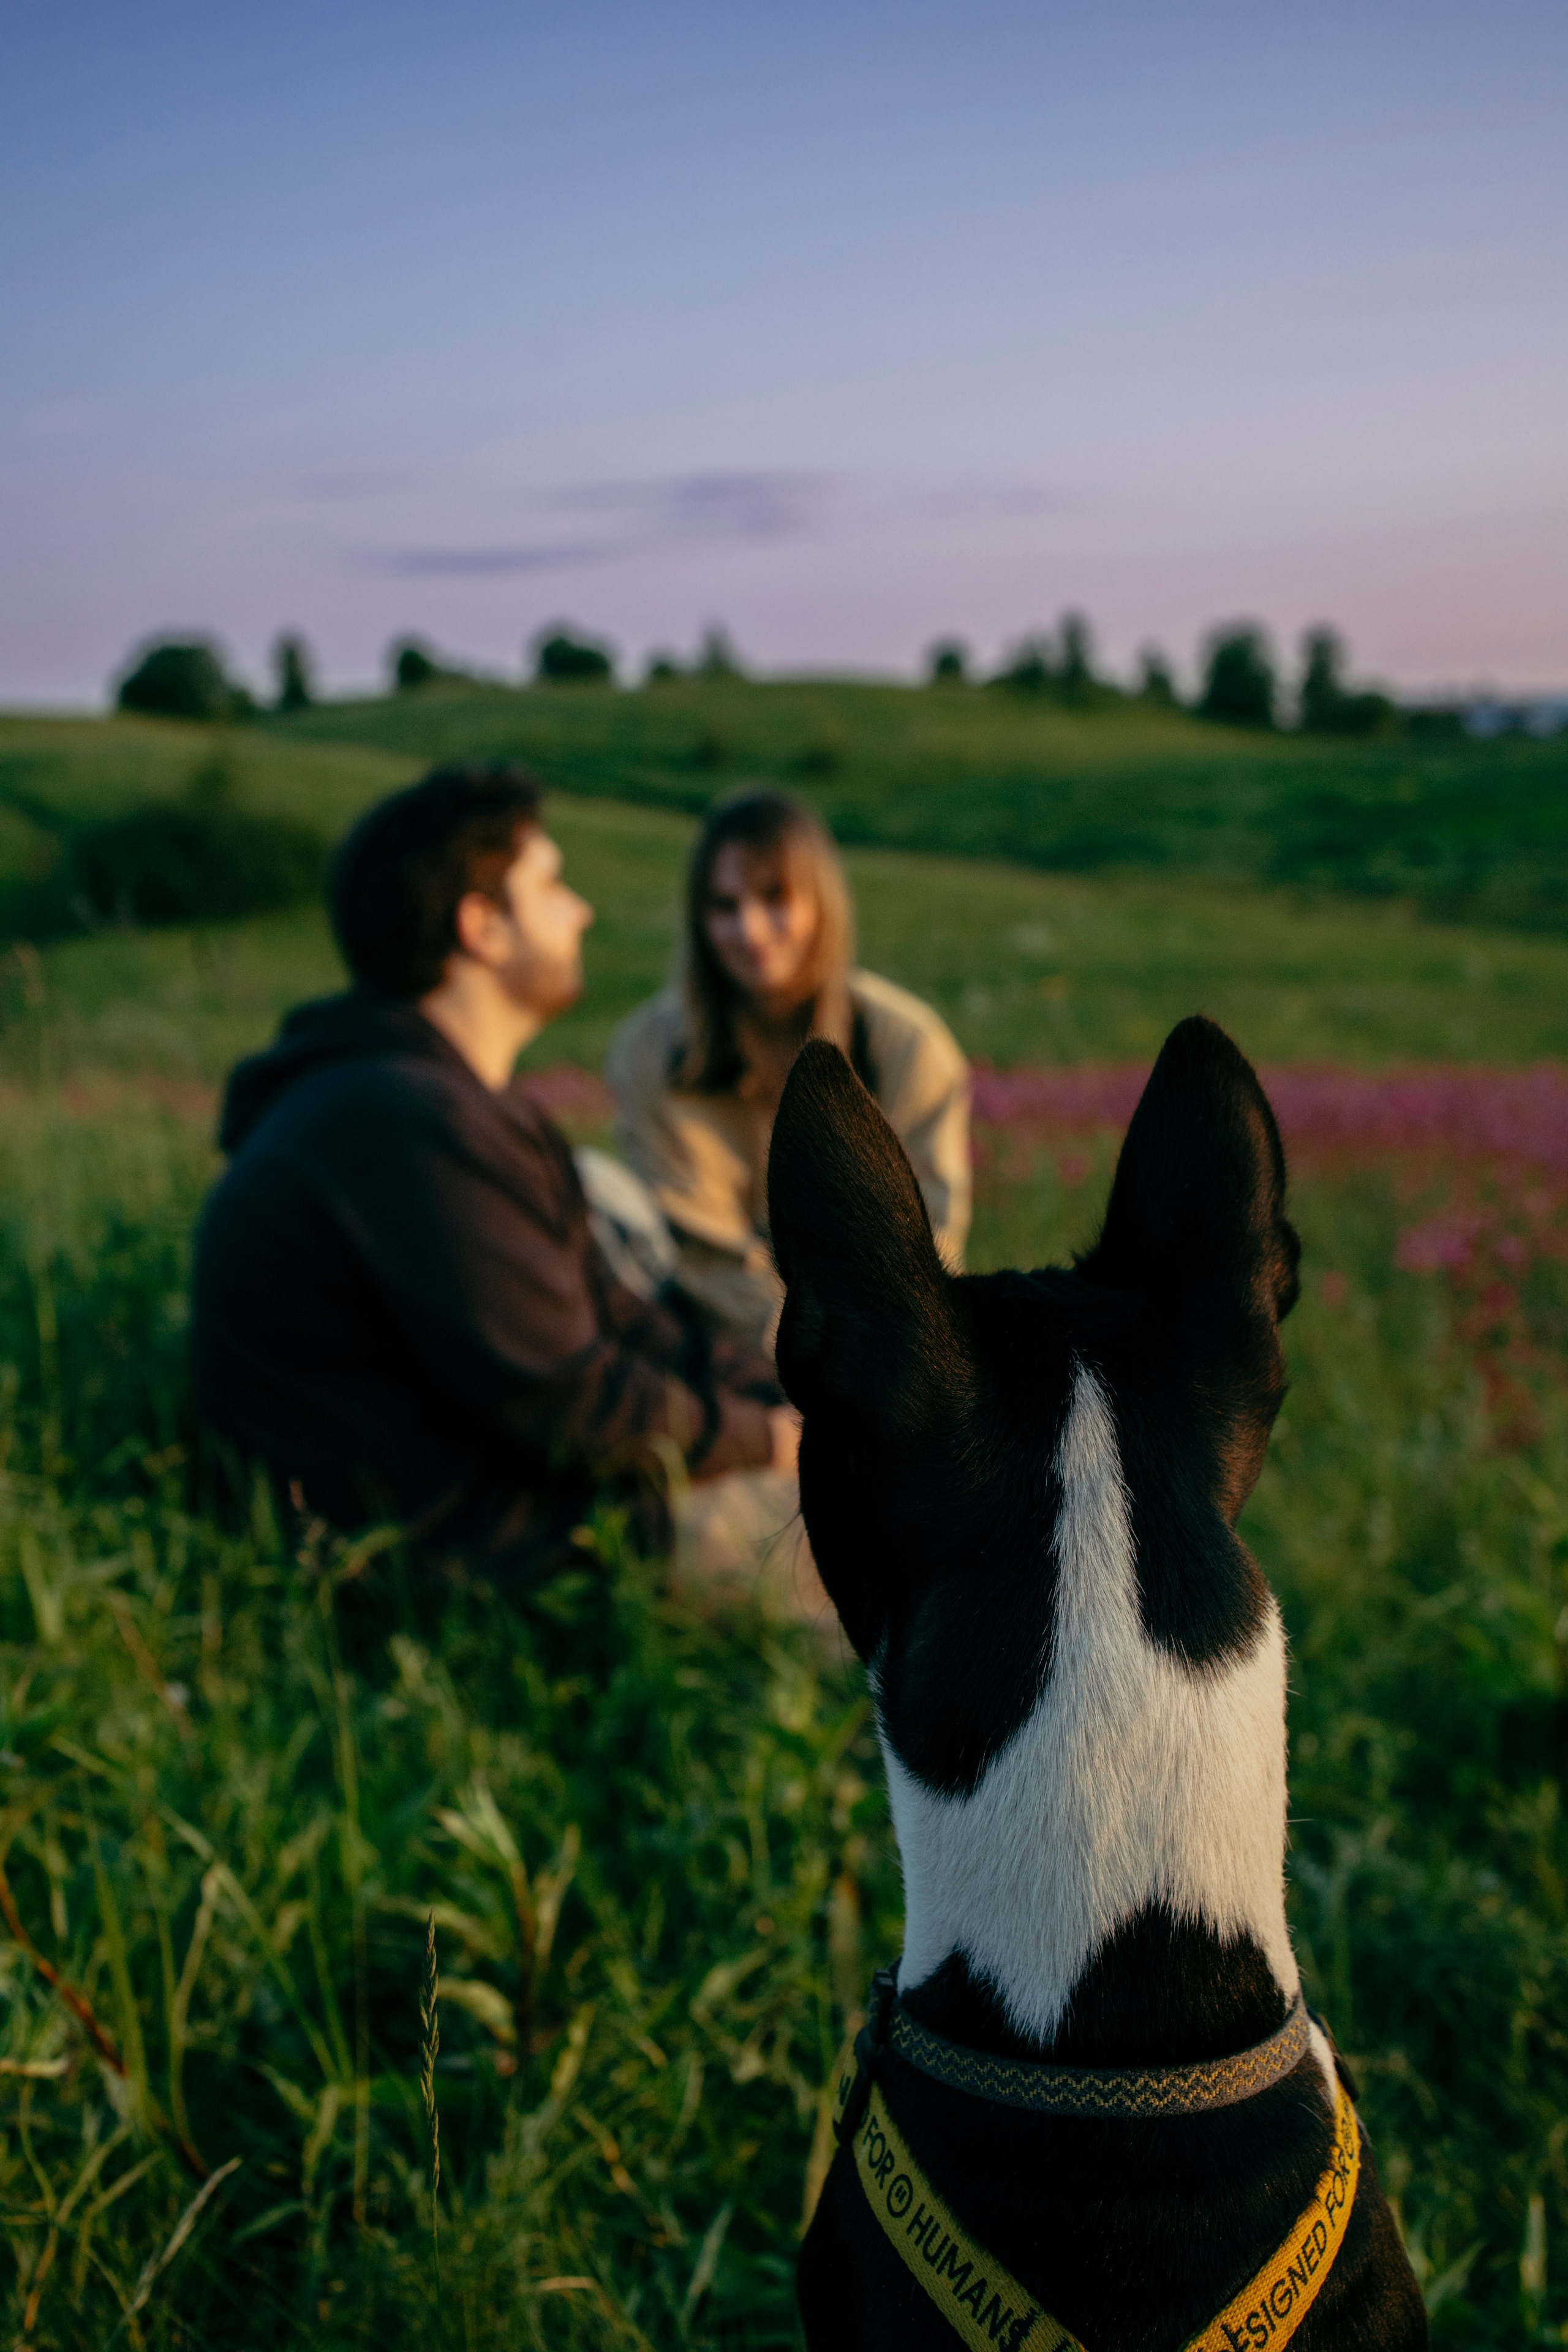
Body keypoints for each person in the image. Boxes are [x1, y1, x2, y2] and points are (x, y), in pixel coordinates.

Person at [191, 764, 796, 1585]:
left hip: (498, 1496)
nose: (579, 910)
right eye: (550, 886)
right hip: (458, 1541)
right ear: (482, 926)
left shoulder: (438, 1103)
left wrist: (781, 1397)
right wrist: (766, 1442)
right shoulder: (409, 1126)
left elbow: (618, 1320)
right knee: (891, 1546)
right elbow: (570, 1402)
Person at [606, 788, 970, 1352]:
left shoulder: (909, 1047)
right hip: (721, 1343)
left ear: (821, 904)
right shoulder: (652, 1052)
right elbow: (702, 1251)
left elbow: (930, 1250)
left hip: (881, 1353)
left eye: (775, 898)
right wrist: (797, 1351)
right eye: (724, 907)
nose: (749, 930)